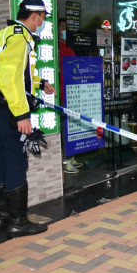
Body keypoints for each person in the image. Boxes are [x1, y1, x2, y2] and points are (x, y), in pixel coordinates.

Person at [0, 0, 56, 237]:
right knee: (16, 159)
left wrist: (42, 82)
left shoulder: (7, 33)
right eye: (43, 17)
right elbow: (11, 78)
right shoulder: (19, 37)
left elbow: (20, 74)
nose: (43, 22)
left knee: (4, 158)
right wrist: (21, 114)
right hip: (8, 107)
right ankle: (18, 222)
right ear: (34, 15)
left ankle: (1, 217)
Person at [57, 18, 81, 174]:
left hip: (71, 93)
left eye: (66, 27)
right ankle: (65, 160)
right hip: (61, 95)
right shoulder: (56, 48)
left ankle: (70, 157)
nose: (65, 30)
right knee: (64, 129)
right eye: (63, 27)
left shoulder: (65, 45)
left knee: (71, 128)